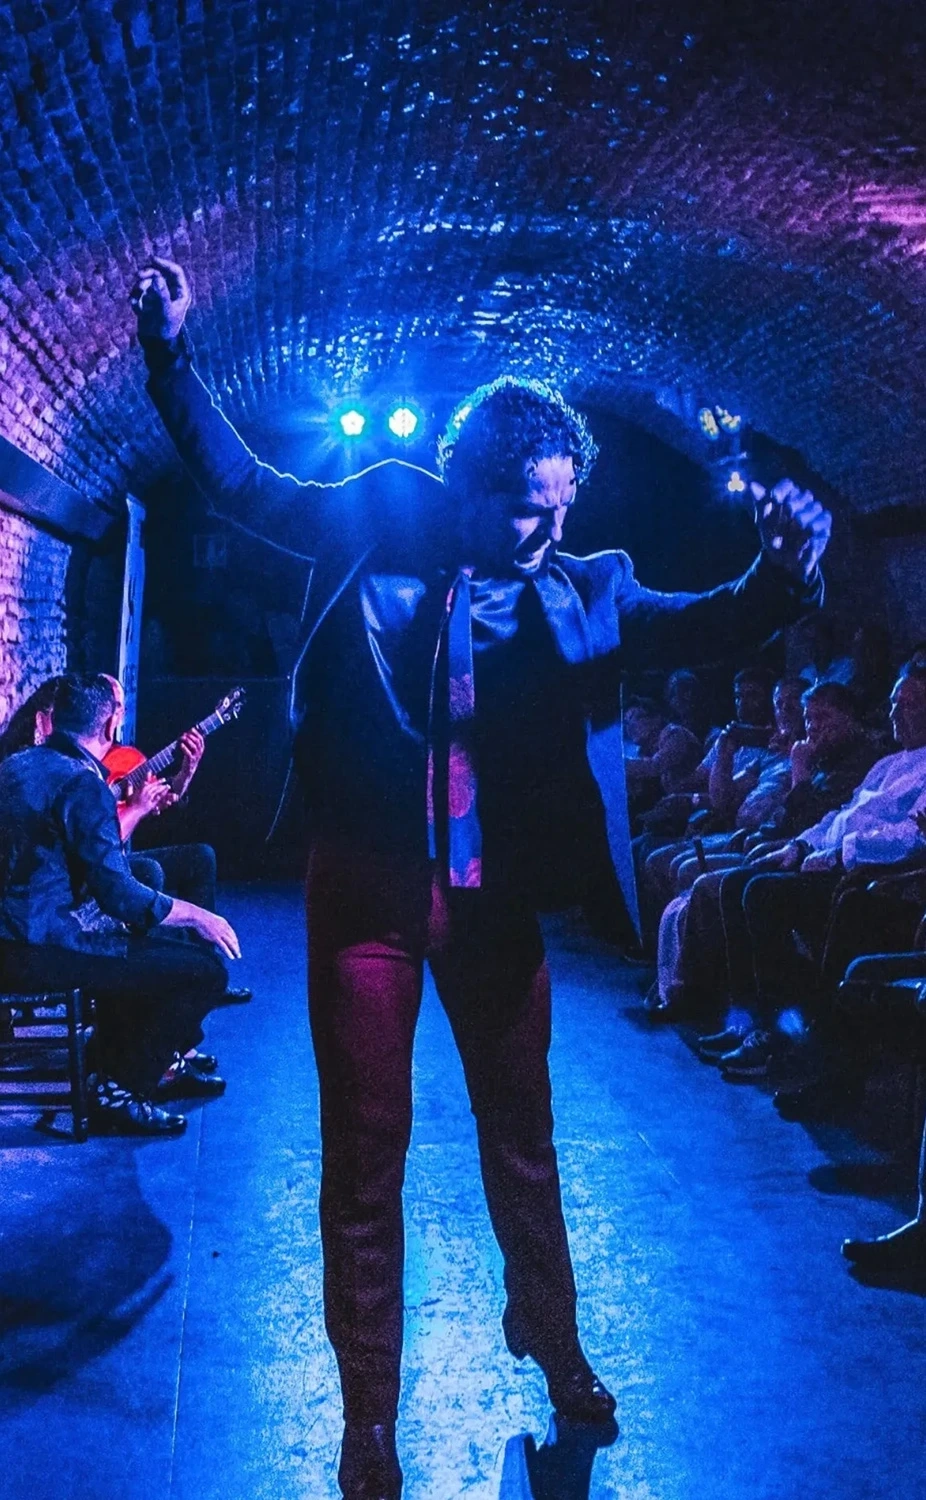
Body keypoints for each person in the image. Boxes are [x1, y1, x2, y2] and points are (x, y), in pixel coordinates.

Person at [131, 255, 831, 1500]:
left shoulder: (582, 585)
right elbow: (241, 482)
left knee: (522, 1138)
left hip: (492, 900)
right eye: (522, 507)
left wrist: (779, 574)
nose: (548, 530)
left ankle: (552, 1343)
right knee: (365, 1153)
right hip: (365, 893)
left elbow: (704, 618)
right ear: (462, 485)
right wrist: (169, 354)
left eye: (562, 506)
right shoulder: (373, 518)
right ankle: (367, 1419)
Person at [0, 673, 240, 1135]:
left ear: (53, 719)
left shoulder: (16, 765)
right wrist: (198, 916)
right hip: (41, 950)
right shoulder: (80, 783)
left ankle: (115, 1064)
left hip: (13, 941)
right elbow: (120, 896)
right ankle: (118, 1088)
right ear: (110, 725)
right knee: (204, 972)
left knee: (139, 948)